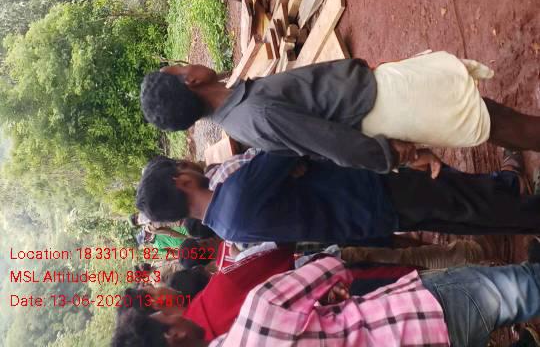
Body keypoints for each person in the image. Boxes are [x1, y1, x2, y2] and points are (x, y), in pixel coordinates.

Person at [140, 52, 540, 166]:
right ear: (190, 81)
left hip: (376, 93)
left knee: (489, 117)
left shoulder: (240, 110)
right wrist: (392, 154)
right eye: (180, 67)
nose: (189, 63)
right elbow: (331, 143)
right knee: (495, 121)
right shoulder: (255, 114)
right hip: (386, 103)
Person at [112, 250, 540, 347]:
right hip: (419, 319)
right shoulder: (254, 314)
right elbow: (330, 267)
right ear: (170, 333)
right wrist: (325, 296)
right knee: (519, 289)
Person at [135, 151, 540, 243]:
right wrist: (288, 161)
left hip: (365, 219)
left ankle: (515, 199)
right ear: (181, 182)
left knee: (460, 215)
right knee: (460, 202)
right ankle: (525, 208)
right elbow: (288, 145)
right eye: (180, 166)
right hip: (370, 192)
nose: (187, 164)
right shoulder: (237, 192)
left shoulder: (225, 226)